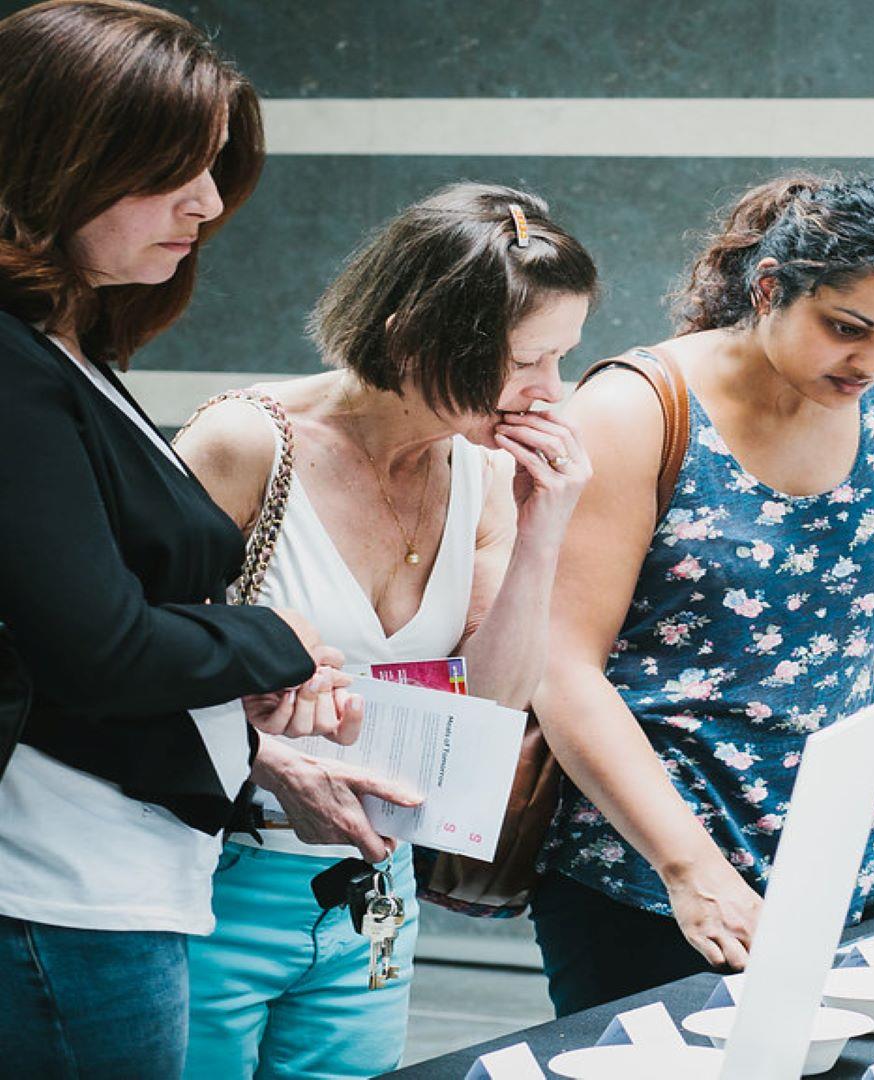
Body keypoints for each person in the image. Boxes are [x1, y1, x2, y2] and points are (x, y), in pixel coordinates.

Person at [0, 3, 360, 1076]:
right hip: (57, 885)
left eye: (210, 171)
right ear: (50, 164)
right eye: (171, 173)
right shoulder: (16, 370)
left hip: (105, 874)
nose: (206, 205)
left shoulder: (61, 348)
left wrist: (242, 704)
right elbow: (97, 651)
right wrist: (277, 638)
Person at [172, 183, 597, 1079]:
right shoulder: (246, 441)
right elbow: (137, 661)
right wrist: (267, 756)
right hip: (213, 875)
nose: (550, 394)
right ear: (416, 335)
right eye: (528, 362)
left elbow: (496, 700)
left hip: (374, 881)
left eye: (563, 360)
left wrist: (544, 526)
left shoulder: (479, 471)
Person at [532, 173, 874, 1013]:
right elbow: (561, 668)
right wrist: (691, 871)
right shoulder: (636, 410)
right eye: (848, 328)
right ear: (769, 289)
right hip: (648, 871)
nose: (872, 361)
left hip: (841, 862)